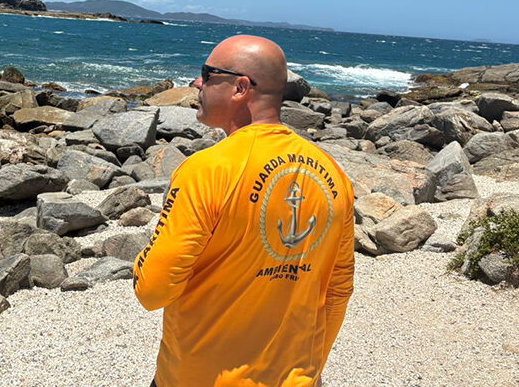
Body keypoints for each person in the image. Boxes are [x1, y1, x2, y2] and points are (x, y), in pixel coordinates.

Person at [132, 35, 355, 387]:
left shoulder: (205, 170)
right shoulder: (333, 174)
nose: (196, 83)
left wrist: (143, 259)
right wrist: (306, 371)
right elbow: (338, 289)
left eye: (207, 74)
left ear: (240, 87)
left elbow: (153, 290)